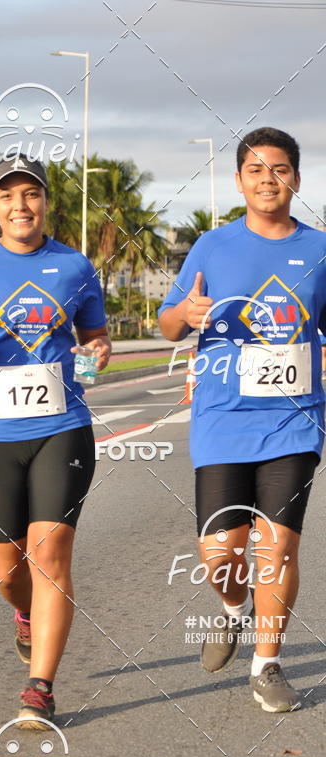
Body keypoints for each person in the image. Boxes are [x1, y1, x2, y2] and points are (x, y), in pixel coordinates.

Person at [0, 155, 111, 729]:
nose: (20, 206)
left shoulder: (74, 266)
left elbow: (94, 337)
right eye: (8, 196)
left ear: (45, 202)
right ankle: (25, 615)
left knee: (50, 556)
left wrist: (97, 356)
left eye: (30, 194)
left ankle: (40, 687)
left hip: (62, 428)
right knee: (9, 571)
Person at [159, 127, 326, 713]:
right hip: (222, 420)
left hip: (294, 422)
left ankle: (267, 664)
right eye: (255, 171)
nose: (267, 180)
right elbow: (169, 324)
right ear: (239, 181)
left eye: (278, 170)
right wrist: (184, 310)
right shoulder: (211, 246)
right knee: (220, 552)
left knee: (276, 548)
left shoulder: (319, 250)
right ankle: (234, 611)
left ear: (296, 179)